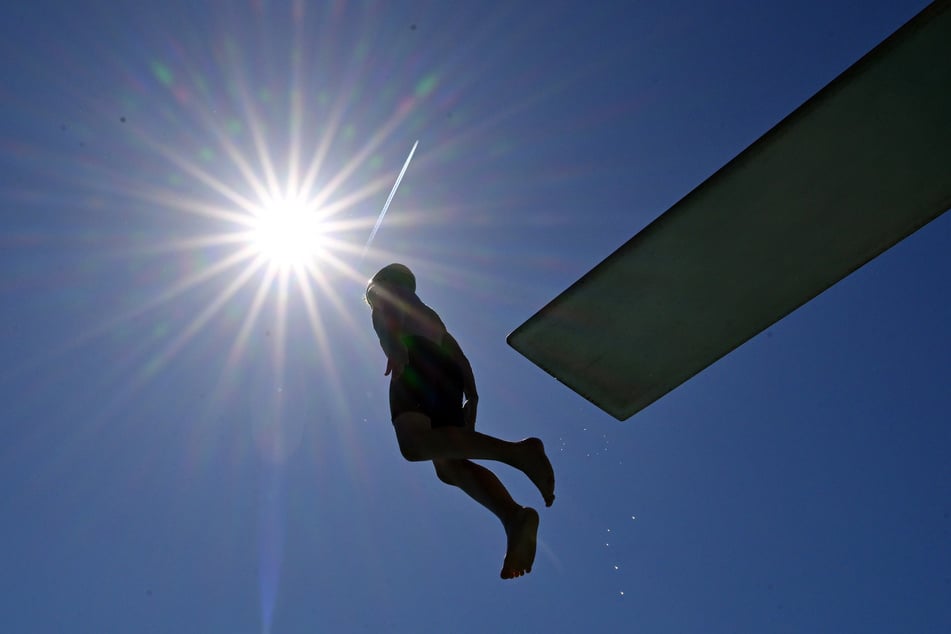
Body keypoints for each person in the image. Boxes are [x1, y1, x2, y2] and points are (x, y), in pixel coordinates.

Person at [366, 263, 556, 579]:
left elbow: (383, 314)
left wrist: (392, 345)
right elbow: (458, 354)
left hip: (415, 359)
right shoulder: (430, 314)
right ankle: (513, 517)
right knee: (448, 466)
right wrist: (472, 394)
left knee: (414, 444)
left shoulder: (379, 291)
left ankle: (519, 453)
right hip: (447, 372)